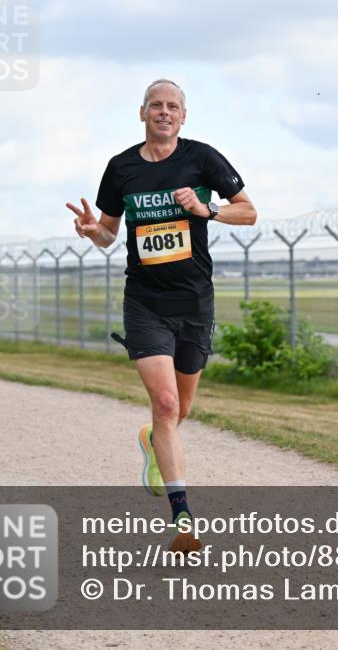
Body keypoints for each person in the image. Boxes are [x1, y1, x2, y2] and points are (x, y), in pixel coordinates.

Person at [65, 79, 257, 553]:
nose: (164, 112)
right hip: (145, 301)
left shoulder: (202, 158)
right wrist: (93, 232)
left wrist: (206, 208)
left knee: (181, 409)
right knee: (167, 405)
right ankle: (183, 518)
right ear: (143, 113)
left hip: (193, 302)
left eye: (173, 106)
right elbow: (110, 234)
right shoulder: (122, 168)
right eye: (156, 105)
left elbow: (249, 212)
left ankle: (153, 441)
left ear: (183, 116)